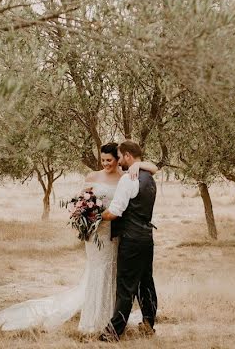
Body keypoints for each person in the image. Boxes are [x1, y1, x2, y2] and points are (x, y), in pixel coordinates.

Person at [0, 142, 158, 334]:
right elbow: (83, 201)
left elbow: (147, 173)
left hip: (116, 234)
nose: (106, 163)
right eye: (103, 160)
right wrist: (86, 214)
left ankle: (111, 317)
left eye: (110, 160)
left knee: (115, 274)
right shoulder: (96, 176)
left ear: (120, 158)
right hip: (99, 233)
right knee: (100, 271)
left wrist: (137, 165)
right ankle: (96, 317)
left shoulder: (127, 176)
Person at [99, 139, 158, 341]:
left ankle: (113, 333)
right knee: (146, 283)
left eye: (120, 156)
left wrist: (97, 216)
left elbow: (115, 211)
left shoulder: (128, 179)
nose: (120, 161)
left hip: (131, 239)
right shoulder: (149, 177)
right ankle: (149, 324)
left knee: (125, 286)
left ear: (127, 156)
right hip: (146, 238)